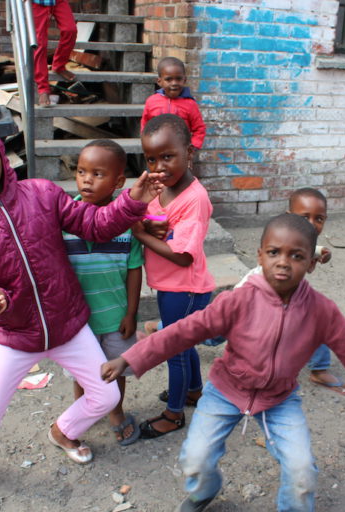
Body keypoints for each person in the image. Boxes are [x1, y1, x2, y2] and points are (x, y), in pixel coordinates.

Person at [102, 213, 345, 512]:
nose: (283, 262)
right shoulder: (237, 300)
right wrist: (130, 357)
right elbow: (184, 331)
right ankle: (204, 490)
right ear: (260, 255)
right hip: (226, 389)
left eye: (296, 256)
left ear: (311, 263)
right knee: (195, 459)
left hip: (279, 398)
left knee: (302, 471)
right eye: (274, 253)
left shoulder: (322, 311)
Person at [0, 115, 160, 504]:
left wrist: (131, 203)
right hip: (15, 336)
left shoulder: (42, 193)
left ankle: (62, 430)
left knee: (105, 397)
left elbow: (95, 224)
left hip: (68, 325)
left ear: (1, 153)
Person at [130, 113, 215, 438]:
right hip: (171, 287)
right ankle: (193, 391)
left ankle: (174, 414)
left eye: (168, 156)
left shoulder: (194, 199)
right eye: (152, 159)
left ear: (189, 153)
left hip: (186, 288)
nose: (159, 166)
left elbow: (181, 255)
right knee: (185, 345)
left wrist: (141, 235)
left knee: (174, 350)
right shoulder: (160, 187)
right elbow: (145, 212)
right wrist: (145, 218)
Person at [63, 140, 144, 446]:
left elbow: (134, 268)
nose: (86, 179)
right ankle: (81, 412)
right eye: (81, 171)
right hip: (77, 322)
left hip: (114, 316)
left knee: (115, 371)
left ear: (119, 182)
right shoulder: (64, 217)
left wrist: (131, 312)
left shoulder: (126, 223)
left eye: (97, 173)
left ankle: (115, 411)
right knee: (81, 374)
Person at [235, 187, 345, 395]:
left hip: (285, 296)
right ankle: (167, 328)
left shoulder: (307, 239)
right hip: (254, 296)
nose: (312, 224)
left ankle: (318, 369)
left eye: (319, 219)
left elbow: (316, 252)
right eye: (305, 217)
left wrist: (324, 255)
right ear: (289, 216)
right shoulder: (282, 234)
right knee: (218, 330)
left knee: (315, 320)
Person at [140, 57, 206, 150]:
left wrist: (192, 147)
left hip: (181, 150)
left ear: (184, 80)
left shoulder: (190, 104)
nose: (174, 83)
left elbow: (199, 129)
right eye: (169, 79)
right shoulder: (151, 102)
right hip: (157, 149)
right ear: (159, 81)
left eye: (178, 79)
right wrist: (147, 142)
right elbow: (145, 125)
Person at [31, 0, 77, 107]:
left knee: (70, 30)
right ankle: (43, 88)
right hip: (37, 2)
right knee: (39, 43)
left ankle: (59, 65)